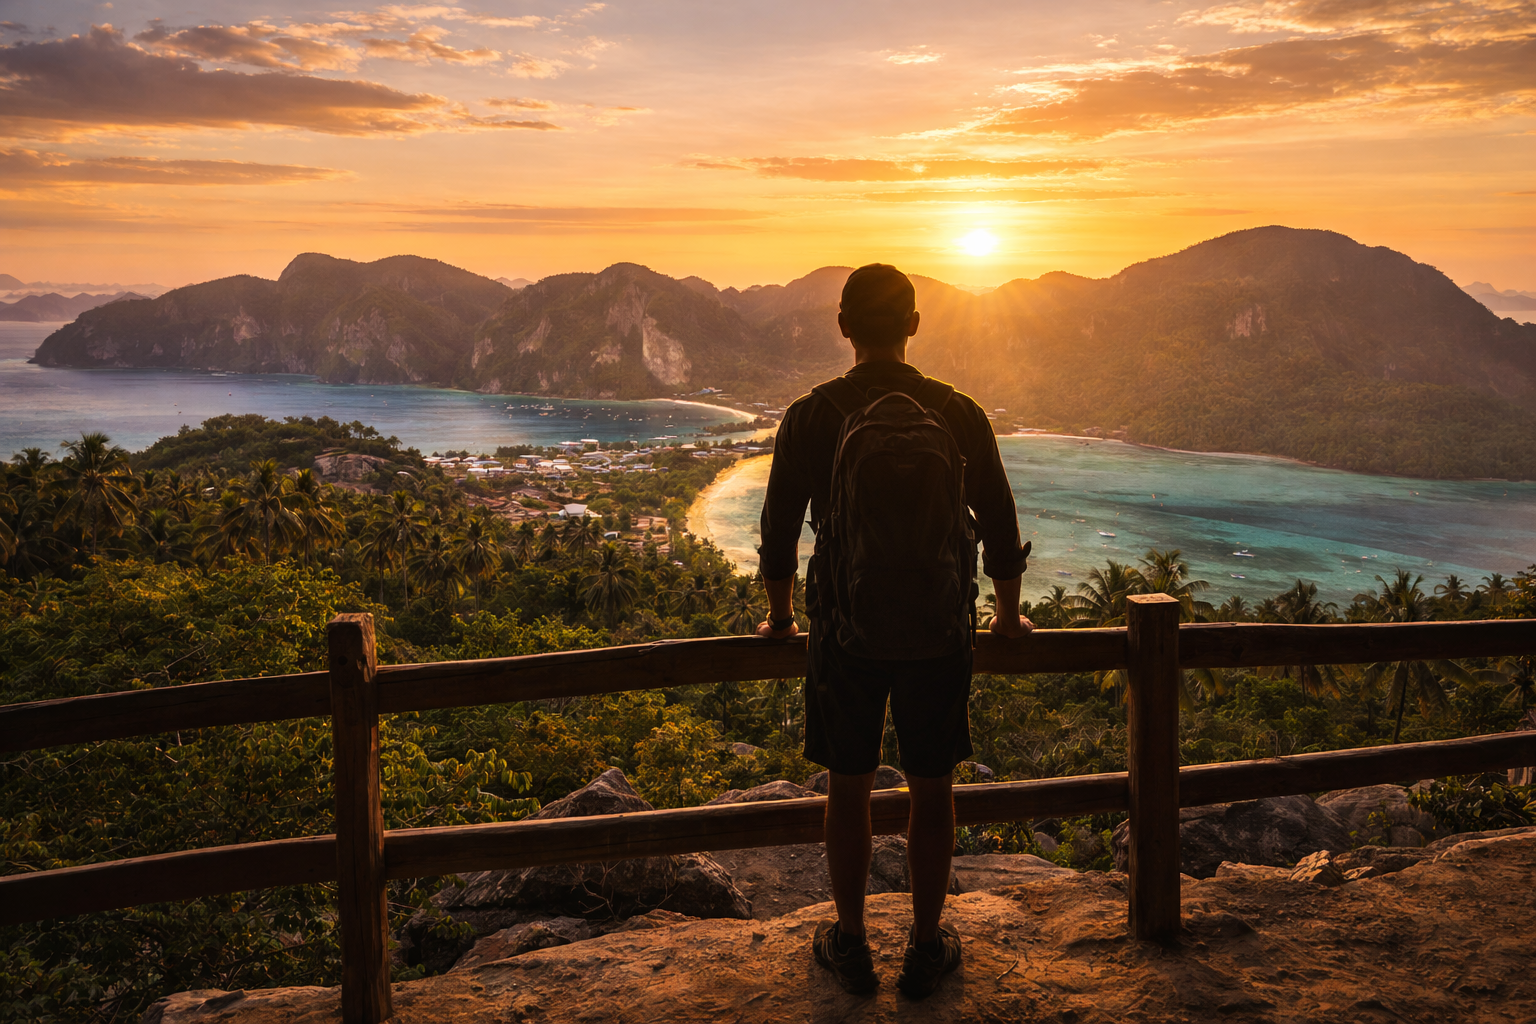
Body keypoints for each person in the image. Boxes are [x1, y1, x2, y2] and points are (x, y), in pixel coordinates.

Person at [756, 263, 1034, 999]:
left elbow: (779, 532)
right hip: (940, 632)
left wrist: (784, 617)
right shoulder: (958, 411)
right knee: (933, 789)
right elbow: (1001, 526)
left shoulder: (811, 415)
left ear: (844, 327)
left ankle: (850, 946)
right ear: (914, 325)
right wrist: (1006, 615)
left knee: (847, 791)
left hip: (843, 635)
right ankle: (924, 944)